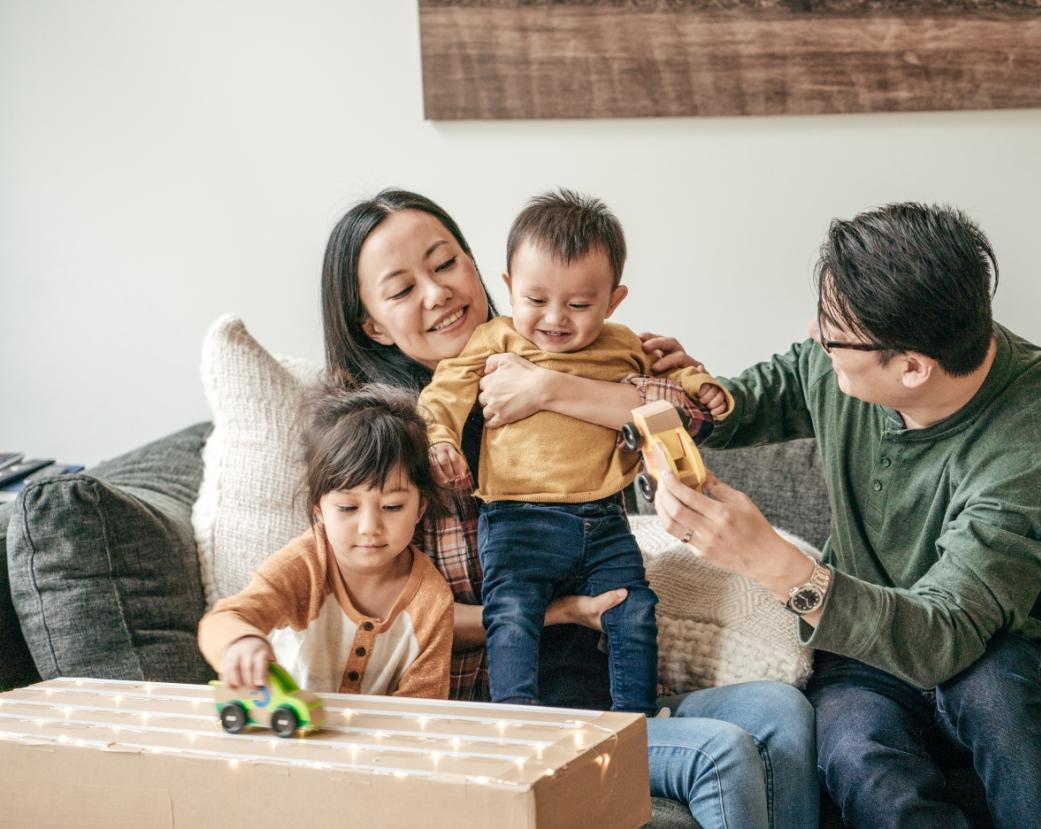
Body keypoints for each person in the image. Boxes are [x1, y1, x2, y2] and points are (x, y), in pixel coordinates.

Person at [319, 188, 818, 829]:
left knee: (780, 711)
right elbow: (379, 619)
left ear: (480, 269)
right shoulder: (376, 445)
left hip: (599, 685)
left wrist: (556, 386)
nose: (437, 293)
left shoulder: (569, 351)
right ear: (372, 326)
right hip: (495, 704)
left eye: (444, 264)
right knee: (718, 753)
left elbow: (685, 417)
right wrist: (559, 611)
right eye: (401, 289)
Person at [649, 202, 1041, 828]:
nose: (817, 338)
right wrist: (694, 397)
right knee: (854, 744)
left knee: (995, 694)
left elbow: (946, 635)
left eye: (834, 333)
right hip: (865, 659)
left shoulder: (1040, 426)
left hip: (1009, 652)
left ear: (911, 367)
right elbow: (772, 388)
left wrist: (774, 563)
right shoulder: (842, 369)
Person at [418, 189, 730, 714]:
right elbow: (445, 391)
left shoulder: (624, 343)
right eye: (536, 301)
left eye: (580, 305)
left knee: (634, 610)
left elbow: (674, 383)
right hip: (518, 519)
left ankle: (638, 718)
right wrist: (441, 438)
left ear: (612, 300)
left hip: (604, 519)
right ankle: (516, 717)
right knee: (511, 613)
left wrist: (702, 385)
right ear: (510, 287)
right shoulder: (496, 340)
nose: (555, 319)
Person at [199, 382, 455, 699]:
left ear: (420, 509)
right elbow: (225, 619)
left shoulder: (432, 599)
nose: (370, 527)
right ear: (319, 508)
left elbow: (424, 710)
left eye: (392, 507)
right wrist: (241, 642)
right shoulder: (305, 563)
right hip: (284, 729)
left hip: (376, 743)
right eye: (348, 507)